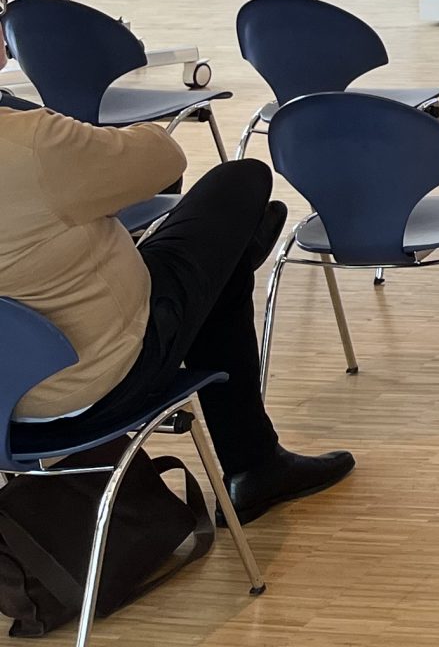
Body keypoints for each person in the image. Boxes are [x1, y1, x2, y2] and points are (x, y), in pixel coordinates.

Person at [0, 110, 353, 523]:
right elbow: (164, 158)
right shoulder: (30, 142)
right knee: (241, 179)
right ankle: (255, 465)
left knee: (212, 263)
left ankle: (231, 261)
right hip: (101, 381)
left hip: (7, 400)